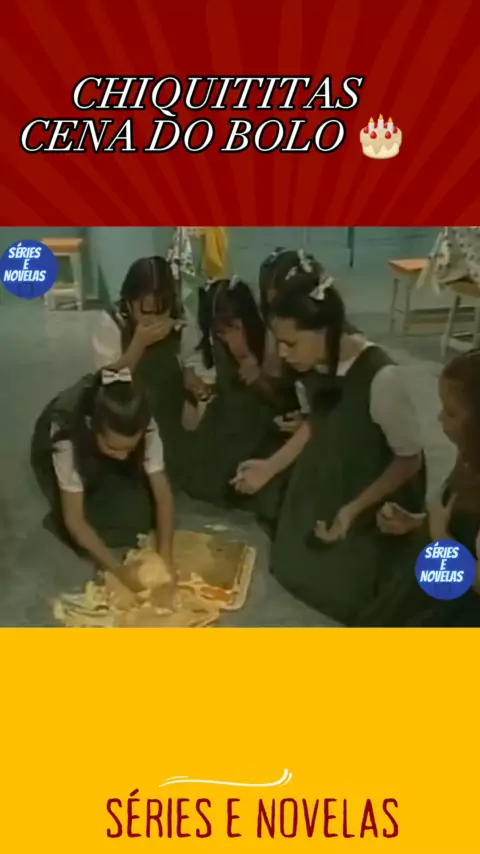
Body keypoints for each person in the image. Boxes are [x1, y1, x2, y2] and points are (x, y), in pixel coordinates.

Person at [235, 272, 426, 625]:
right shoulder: (312, 365)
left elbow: (410, 459)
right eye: (279, 342)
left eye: (291, 343)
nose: (282, 353)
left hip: (373, 484)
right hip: (331, 464)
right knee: (293, 561)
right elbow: (316, 422)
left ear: (323, 332)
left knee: (350, 592)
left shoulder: (382, 377)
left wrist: (353, 510)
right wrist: (270, 466)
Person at [359, 350, 480, 626]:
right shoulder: (470, 456)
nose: (440, 418)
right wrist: (417, 523)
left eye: (451, 413)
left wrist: (440, 538)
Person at [31, 368, 174, 594]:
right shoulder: (65, 437)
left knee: (138, 515)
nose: (123, 456)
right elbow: (75, 520)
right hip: (65, 438)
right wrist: (118, 570)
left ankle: (113, 457)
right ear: (91, 426)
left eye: (130, 448)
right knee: (99, 524)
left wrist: (166, 557)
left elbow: (163, 495)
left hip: (103, 433)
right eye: (114, 447)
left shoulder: (142, 423)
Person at [92, 256, 208, 486]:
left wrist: (190, 373)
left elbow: (191, 355)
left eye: (161, 312)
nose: (154, 320)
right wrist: (138, 345)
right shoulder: (112, 323)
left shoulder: (180, 318)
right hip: (128, 413)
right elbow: (105, 381)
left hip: (167, 409)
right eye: (145, 312)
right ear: (129, 303)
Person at [181, 276, 292, 513]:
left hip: (259, 423)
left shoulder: (271, 341)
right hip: (224, 419)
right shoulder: (217, 341)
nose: (226, 337)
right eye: (219, 332)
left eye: (233, 328)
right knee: (200, 478)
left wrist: (256, 375)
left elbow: (283, 402)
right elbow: (208, 372)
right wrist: (197, 383)